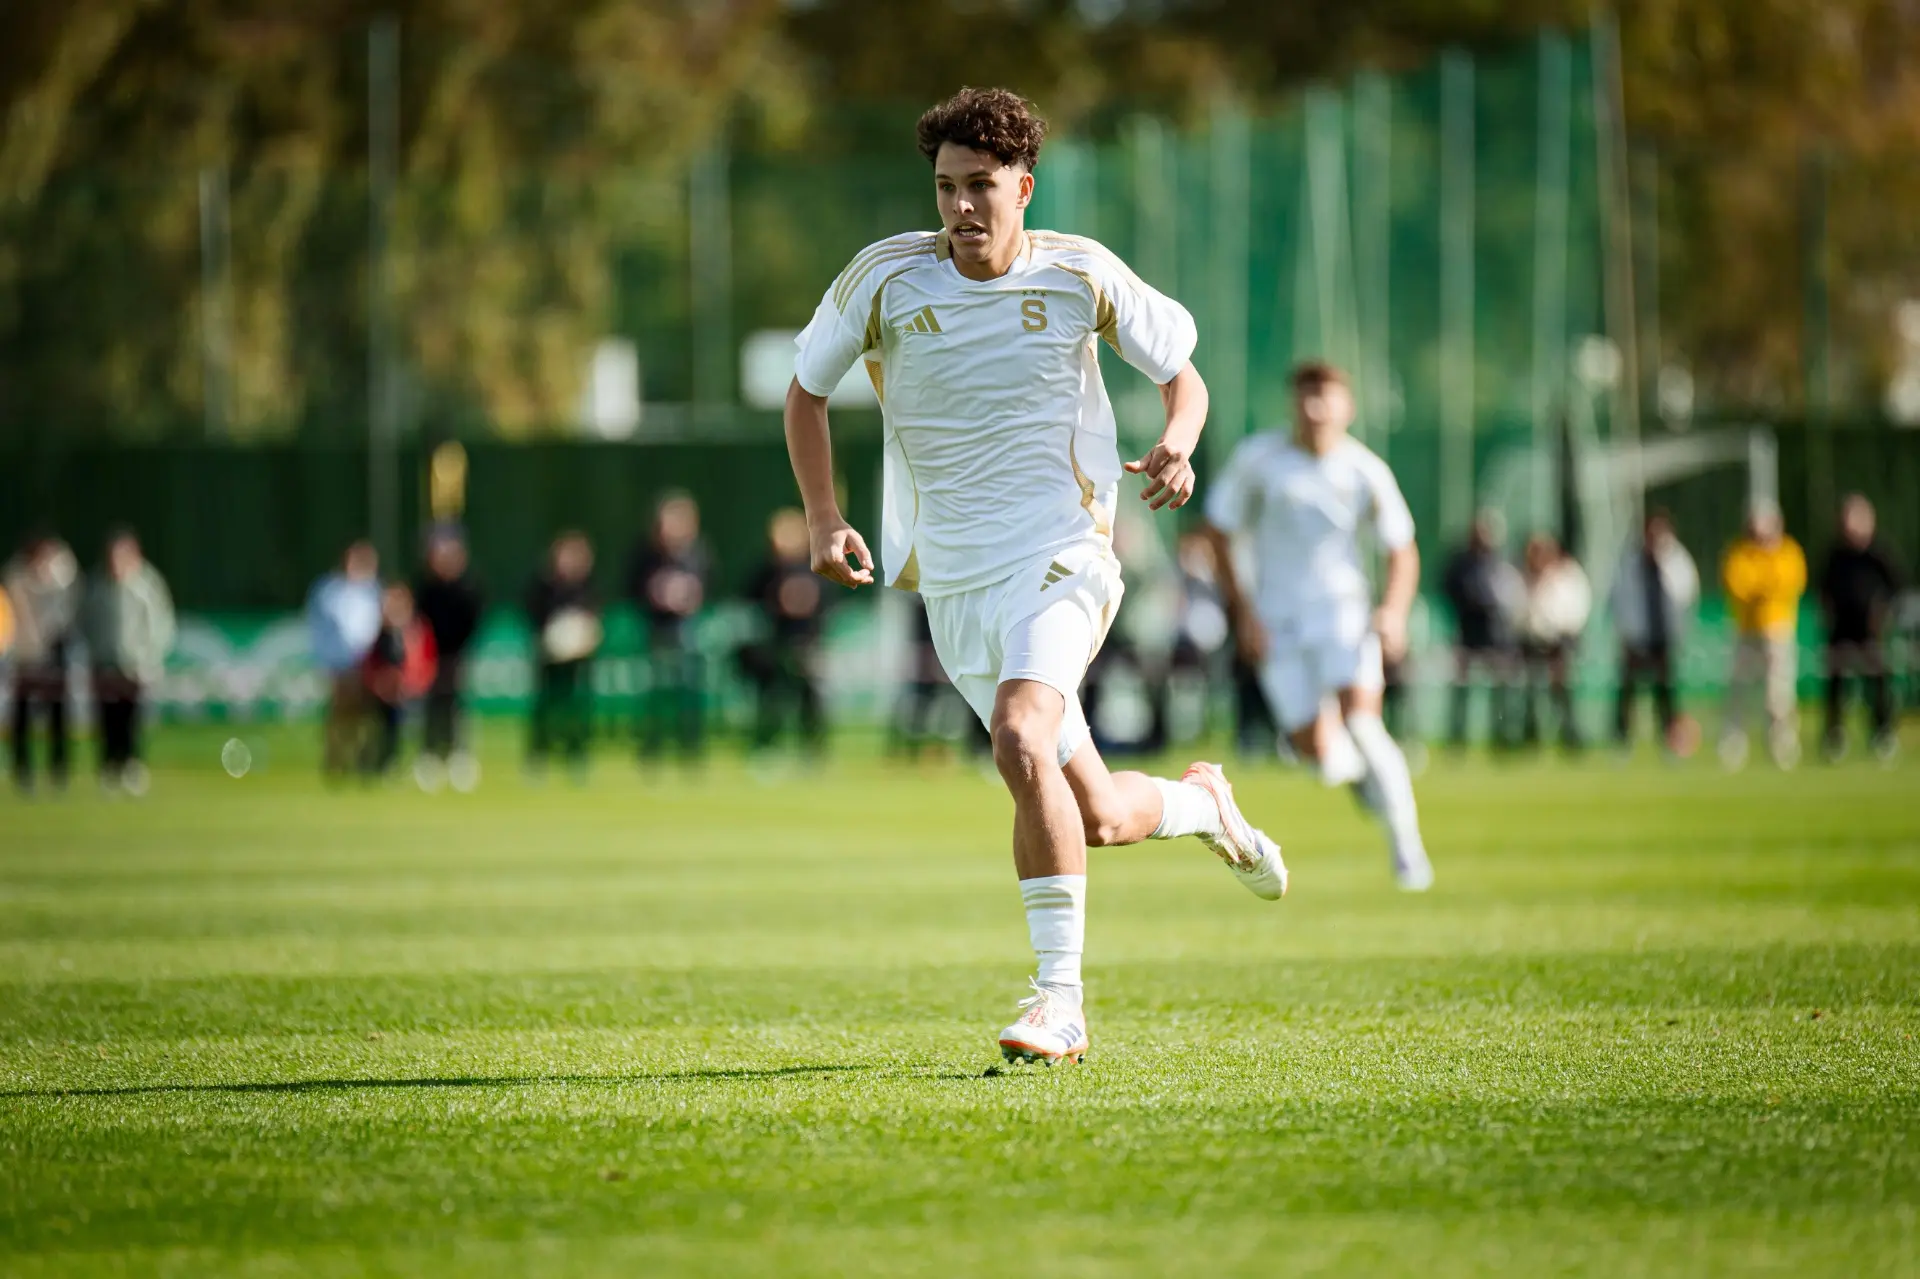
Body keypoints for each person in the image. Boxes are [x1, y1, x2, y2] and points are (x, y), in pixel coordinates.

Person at [785, 87, 1285, 1067]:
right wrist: (823, 517)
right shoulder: (885, 278)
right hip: (955, 580)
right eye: (946, 187)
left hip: (1067, 550)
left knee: (1019, 734)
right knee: (1097, 815)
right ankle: (1203, 806)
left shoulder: (1078, 272)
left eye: (980, 185)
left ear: (1024, 187)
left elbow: (1182, 376)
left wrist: (1180, 443)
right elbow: (806, 391)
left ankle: (1061, 999)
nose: (960, 207)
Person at [1202, 361, 1433, 892]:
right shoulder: (1259, 460)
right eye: (1306, 396)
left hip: (1344, 618)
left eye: (1326, 396)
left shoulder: (1364, 470)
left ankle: (1408, 851)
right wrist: (1243, 613)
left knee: (1365, 725)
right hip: (1278, 622)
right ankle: (1363, 779)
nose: (1315, 408)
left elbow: (1402, 548)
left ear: (1347, 407)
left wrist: (1393, 611)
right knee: (1318, 755)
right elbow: (1218, 530)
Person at [80, 530, 175, 795]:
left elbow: (160, 623)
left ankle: (132, 765)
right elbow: (87, 623)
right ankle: (109, 767)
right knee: (106, 717)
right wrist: (95, 652)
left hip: (135, 664)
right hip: (104, 663)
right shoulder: (97, 587)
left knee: (131, 717)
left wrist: (149, 657)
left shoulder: (147, 585)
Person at [1719, 503, 1807, 769]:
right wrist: (1760, 588)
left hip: (1778, 630)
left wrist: (1763, 585)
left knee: (1778, 695)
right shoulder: (1740, 553)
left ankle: (1782, 747)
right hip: (1746, 630)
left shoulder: (1788, 552)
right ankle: (1732, 748)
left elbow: (1788, 584)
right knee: (1738, 692)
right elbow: (1737, 584)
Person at [628, 494, 710, 765]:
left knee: (688, 690)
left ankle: (690, 747)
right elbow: (633, 588)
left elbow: (707, 587)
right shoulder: (646, 554)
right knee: (656, 692)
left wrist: (688, 596)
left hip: (687, 630)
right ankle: (652, 746)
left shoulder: (698, 554)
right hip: (655, 629)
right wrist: (655, 594)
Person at [1819, 494, 1902, 762]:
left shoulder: (1880, 554)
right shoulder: (1836, 555)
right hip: (1840, 630)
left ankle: (1882, 734)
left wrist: (1883, 614)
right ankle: (1834, 737)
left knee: (1877, 684)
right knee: (1836, 685)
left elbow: (1896, 589)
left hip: (1871, 632)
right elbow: (1824, 590)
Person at [1610, 509, 1699, 755]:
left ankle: (1670, 742)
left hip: (1664, 638)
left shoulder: (1676, 561)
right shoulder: (1629, 561)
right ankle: (1622, 740)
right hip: (1636, 637)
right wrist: (1625, 631)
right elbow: (1619, 598)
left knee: (1666, 693)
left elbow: (1686, 596)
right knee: (1627, 692)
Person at [742, 508, 830, 758]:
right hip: (776, 644)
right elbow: (750, 601)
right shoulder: (767, 571)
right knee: (772, 697)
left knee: (809, 697)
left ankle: (812, 746)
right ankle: (767, 744)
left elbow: (826, 606)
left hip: (807, 645)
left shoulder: (817, 568)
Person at [4, 535, 82, 795]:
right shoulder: (17, 577)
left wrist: (55, 572)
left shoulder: (62, 578)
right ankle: (22, 767)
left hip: (54, 652)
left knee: (58, 712)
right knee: (22, 714)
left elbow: (70, 599)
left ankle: (59, 767)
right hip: (25, 654)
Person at [1441, 511, 1523, 751]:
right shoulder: (1460, 564)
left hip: (1497, 637)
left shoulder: (1500, 563)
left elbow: (1510, 597)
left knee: (1502, 690)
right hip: (1468, 634)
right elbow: (1450, 590)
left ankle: (1503, 737)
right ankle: (1457, 739)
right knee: (1462, 691)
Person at [412, 526, 485, 791]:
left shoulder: (468, 587)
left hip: (457, 655)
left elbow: (473, 619)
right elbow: (419, 622)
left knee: (456, 706)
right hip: (430, 656)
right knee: (432, 707)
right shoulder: (427, 588)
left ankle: (459, 755)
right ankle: (430, 754)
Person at [526, 532, 601, 779]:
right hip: (549, 659)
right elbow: (534, 615)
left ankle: (576, 752)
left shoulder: (587, 588)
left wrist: (584, 638)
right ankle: (539, 753)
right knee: (546, 706)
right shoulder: (544, 587)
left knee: (578, 708)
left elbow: (593, 621)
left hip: (579, 662)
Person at [307, 541, 383, 780]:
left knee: (366, 713)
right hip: (339, 662)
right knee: (341, 711)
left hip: (369, 663)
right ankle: (336, 757)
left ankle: (363, 758)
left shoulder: (375, 592)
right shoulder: (330, 591)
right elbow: (319, 626)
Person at [1517, 533, 1590, 752]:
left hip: (1559, 643)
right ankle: (1531, 735)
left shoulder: (1566, 576)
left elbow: (1572, 612)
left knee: (1561, 691)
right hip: (1532, 643)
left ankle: (1570, 735)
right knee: (1530, 693)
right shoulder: (1525, 578)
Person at [361, 582, 438, 778]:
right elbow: (371, 665)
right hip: (386, 695)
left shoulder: (417, 630)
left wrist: (414, 684)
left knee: (416, 729)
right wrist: (379, 685)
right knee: (384, 729)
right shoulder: (381, 634)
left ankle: (421, 764)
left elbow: (427, 660)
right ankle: (385, 764)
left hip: (412, 691)